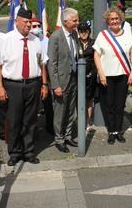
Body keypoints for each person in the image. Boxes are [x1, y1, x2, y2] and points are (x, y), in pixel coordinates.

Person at [0, 8, 49, 166]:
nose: (29, 25)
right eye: (25, 22)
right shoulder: (6, 39)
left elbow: (42, 64)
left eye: (30, 22)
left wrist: (44, 84)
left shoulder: (35, 40)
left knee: (30, 120)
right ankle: (15, 152)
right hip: (13, 85)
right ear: (16, 22)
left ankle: (29, 151)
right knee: (13, 121)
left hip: (33, 84)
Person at [93, 7, 132, 145]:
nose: (114, 21)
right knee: (109, 105)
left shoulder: (127, 35)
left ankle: (118, 131)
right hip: (107, 76)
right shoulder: (103, 35)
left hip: (123, 75)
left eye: (116, 18)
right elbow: (96, 54)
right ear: (107, 20)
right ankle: (111, 132)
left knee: (120, 104)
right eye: (111, 19)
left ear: (120, 19)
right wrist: (101, 73)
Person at [47, 8, 80, 153]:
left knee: (71, 110)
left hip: (73, 78)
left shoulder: (74, 34)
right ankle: (59, 139)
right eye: (75, 21)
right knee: (60, 112)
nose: (77, 23)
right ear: (65, 22)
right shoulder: (55, 37)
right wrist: (55, 85)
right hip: (61, 81)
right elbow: (52, 63)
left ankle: (68, 135)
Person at [30, 18, 53, 136]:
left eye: (38, 26)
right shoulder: (29, 40)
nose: (36, 28)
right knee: (33, 106)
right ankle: (33, 129)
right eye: (34, 26)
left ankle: (50, 126)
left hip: (45, 75)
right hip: (32, 76)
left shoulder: (46, 40)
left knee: (48, 103)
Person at [77, 21, 98, 132]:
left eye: (85, 31)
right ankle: (79, 121)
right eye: (81, 31)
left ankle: (88, 122)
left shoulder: (94, 43)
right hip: (78, 75)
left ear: (89, 31)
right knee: (79, 99)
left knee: (89, 99)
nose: (83, 33)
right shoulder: (75, 43)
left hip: (91, 74)